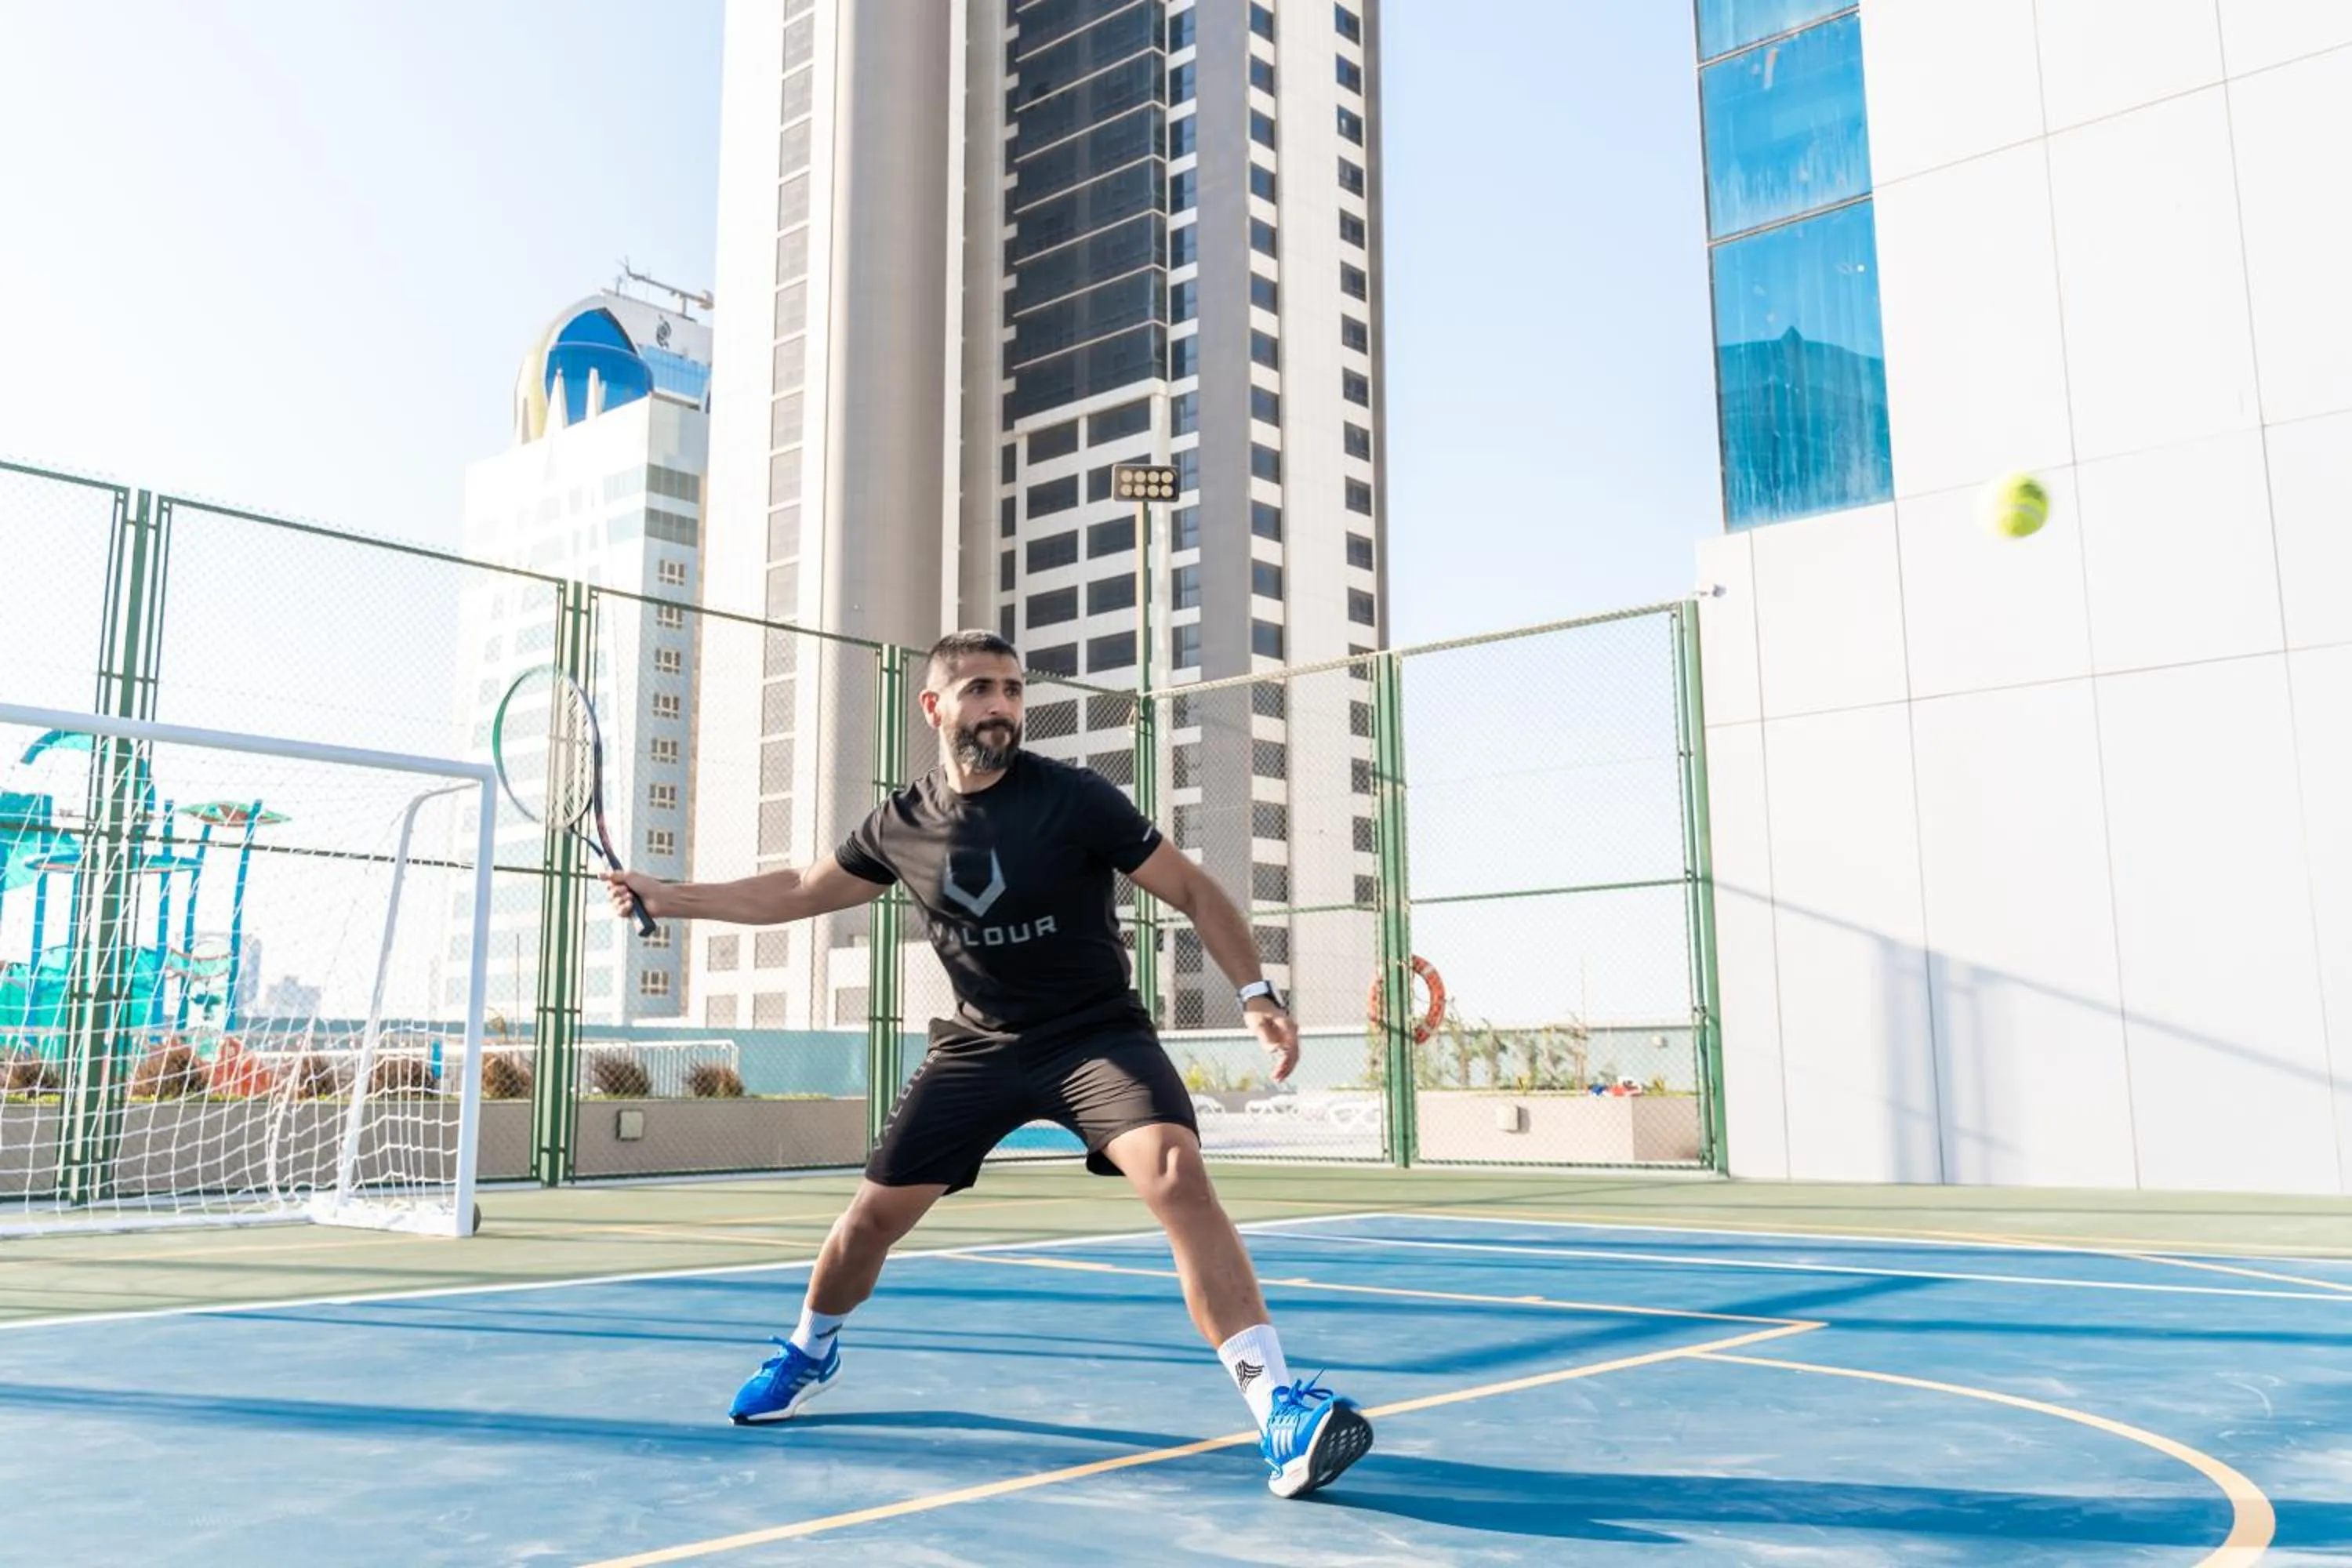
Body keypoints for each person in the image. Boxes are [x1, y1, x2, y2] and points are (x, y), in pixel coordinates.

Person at [601, 630, 1374, 1499]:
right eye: (979, 689)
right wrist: (671, 895)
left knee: (1175, 1172)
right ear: (935, 707)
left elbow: (1193, 888)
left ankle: (1277, 1406)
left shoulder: (1075, 797)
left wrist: (1256, 993)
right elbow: (801, 888)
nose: (1001, 705)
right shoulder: (900, 822)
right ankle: (810, 1351)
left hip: (1094, 1036)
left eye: (1011, 689)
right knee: (868, 1223)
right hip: (978, 1046)